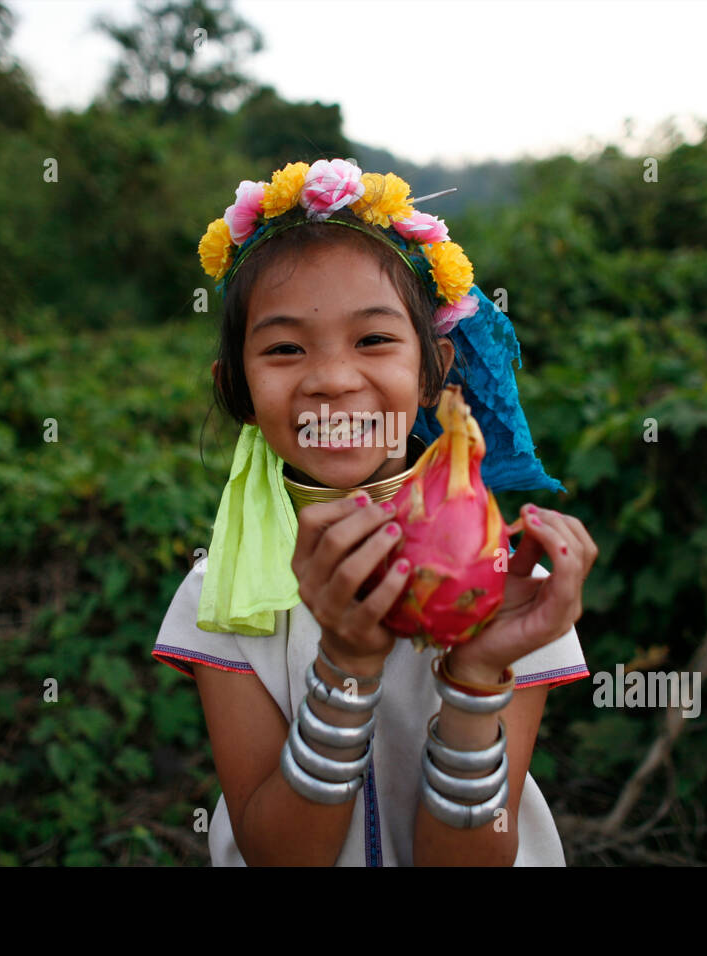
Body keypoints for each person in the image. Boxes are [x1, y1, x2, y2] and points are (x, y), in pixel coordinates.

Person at [153, 158, 598, 865]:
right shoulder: (221, 600)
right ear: (235, 389)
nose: (331, 379)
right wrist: (347, 665)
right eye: (284, 348)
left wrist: (478, 672)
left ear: (433, 371)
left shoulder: (504, 586)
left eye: (374, 339)